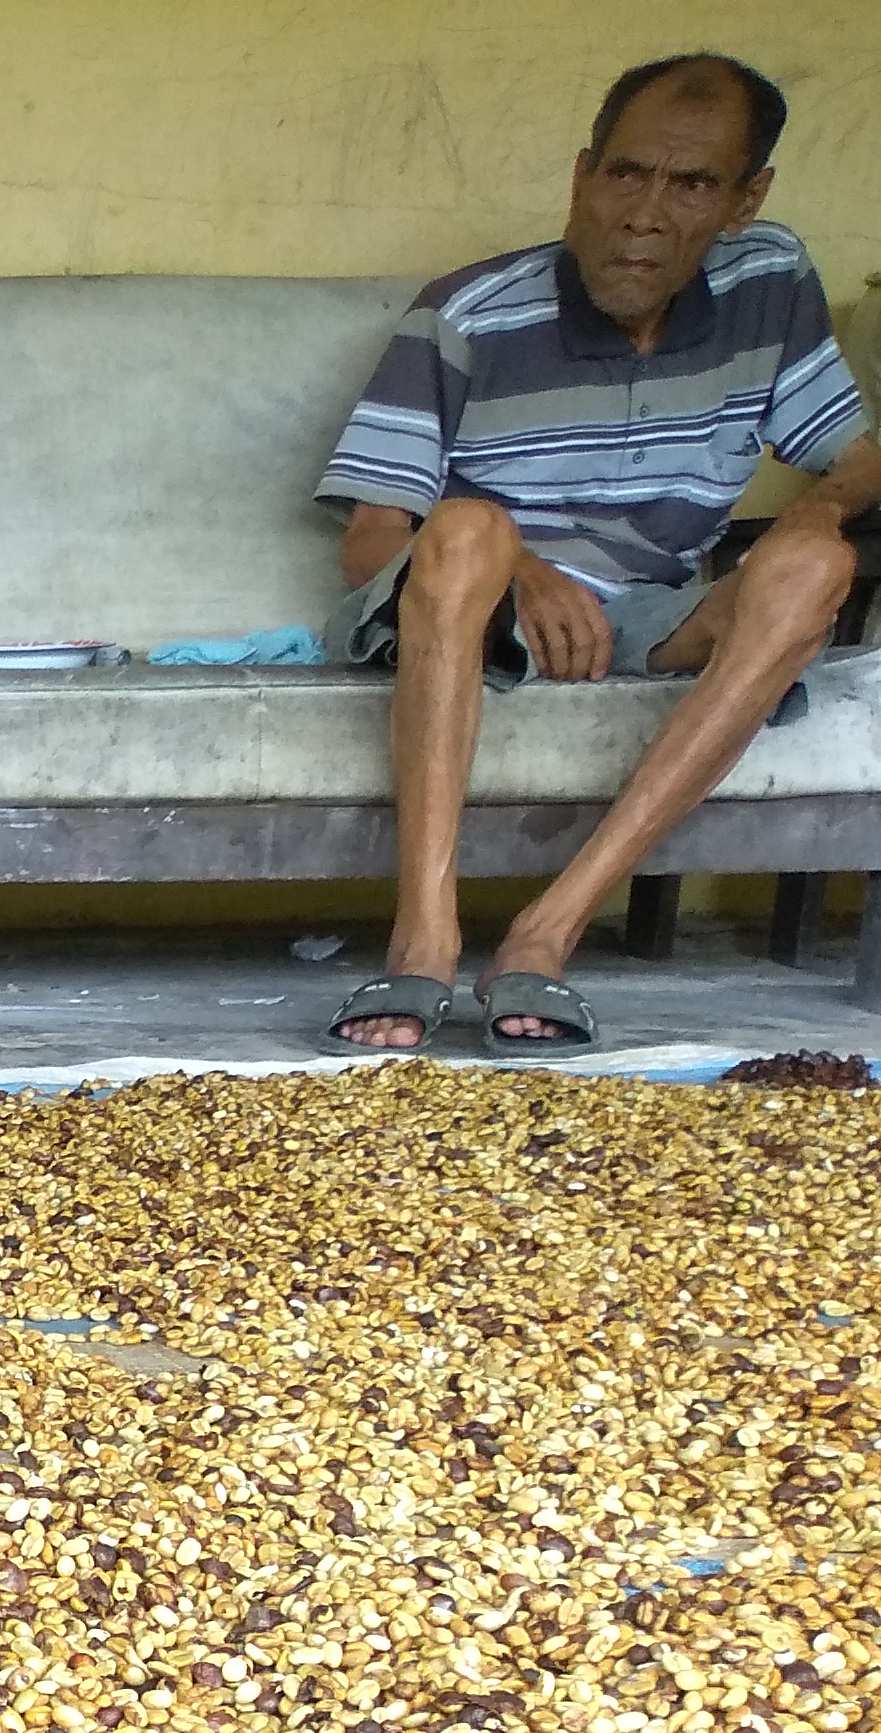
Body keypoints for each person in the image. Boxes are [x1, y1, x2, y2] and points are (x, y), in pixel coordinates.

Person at [315, 52, 876, 1057]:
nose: (645, 213)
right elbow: (371, 543)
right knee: (468, 526)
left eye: (692, 184)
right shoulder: (467, 312)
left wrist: (817, 509)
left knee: (816, 562)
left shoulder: (770, 284)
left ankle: (545, 934)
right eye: (624, 174)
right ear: (581, 177)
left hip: (654, 614)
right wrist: (523, 567)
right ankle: (422, 939)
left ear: (745, 199)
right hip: (475, 603)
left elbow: (856, 461)